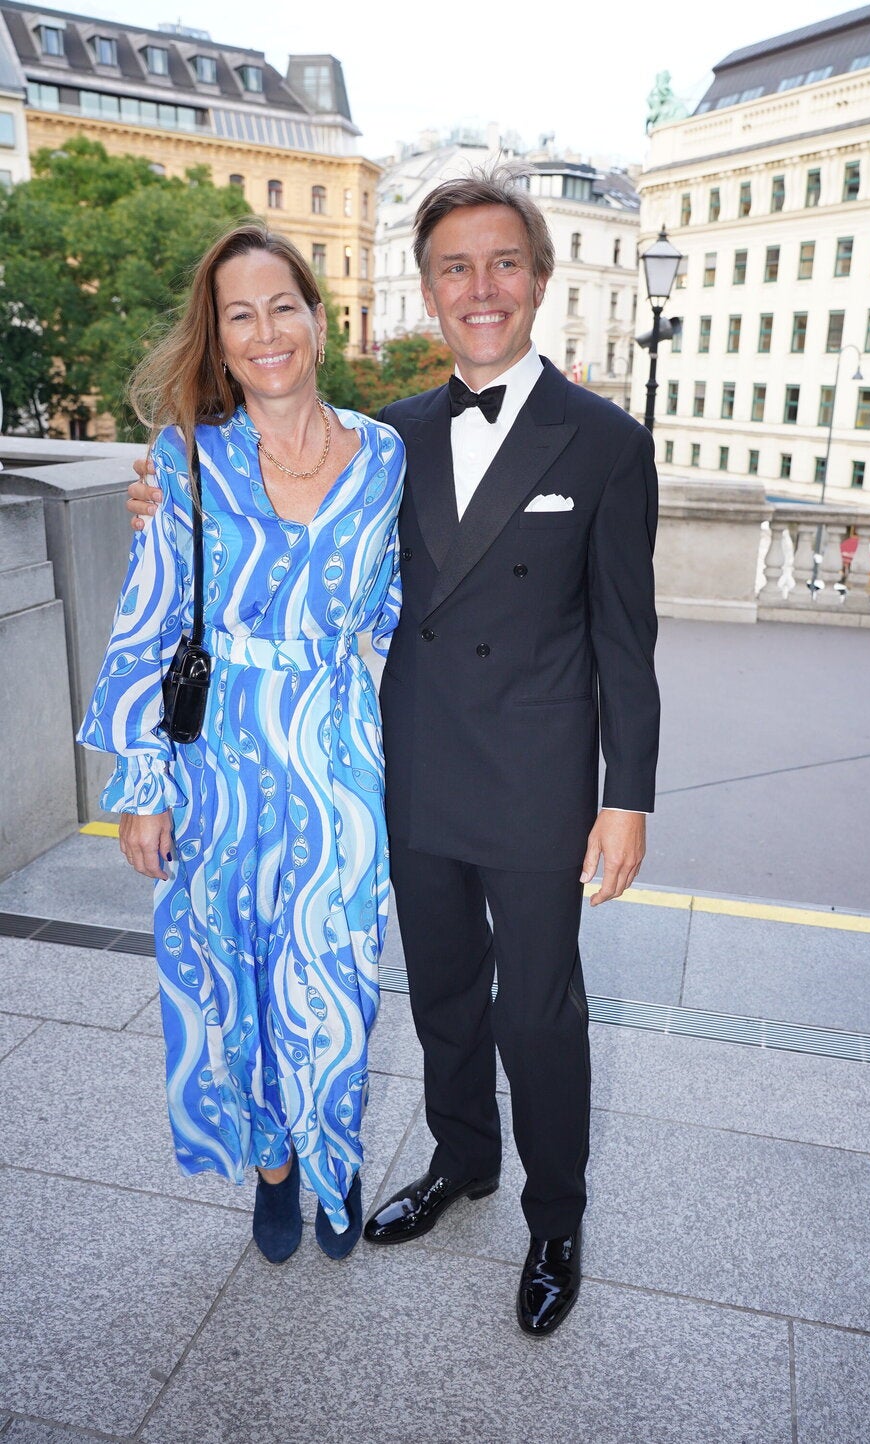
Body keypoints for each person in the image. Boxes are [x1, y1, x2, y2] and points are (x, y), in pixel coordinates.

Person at [128, 168, 659, 1336]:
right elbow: (273, 504)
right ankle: (462, 1160)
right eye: (455, 267)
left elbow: (629, 636)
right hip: (403, 769)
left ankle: (554, 1217)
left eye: (503, 263)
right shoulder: (389, 439)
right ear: (423, 290)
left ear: (539, 278)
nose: (481, 288)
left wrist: (628, 799)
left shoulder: (608, 443)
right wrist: (159, 491)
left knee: (539, 1012)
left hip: (535, 778)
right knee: (447, 1001)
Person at [80, 220, 404, 1266]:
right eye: (239, 316)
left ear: (319, 317)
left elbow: (401, 602)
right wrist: (143, 784)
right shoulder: (183, 461)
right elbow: (150, 617)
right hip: (216, 762)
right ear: (217, 343)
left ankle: (332, 1147)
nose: (266, 332)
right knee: (235, 976)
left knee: (337, 971)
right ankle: (272, 1159)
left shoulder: (386, 453)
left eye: (283, 306)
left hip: (338, 761)